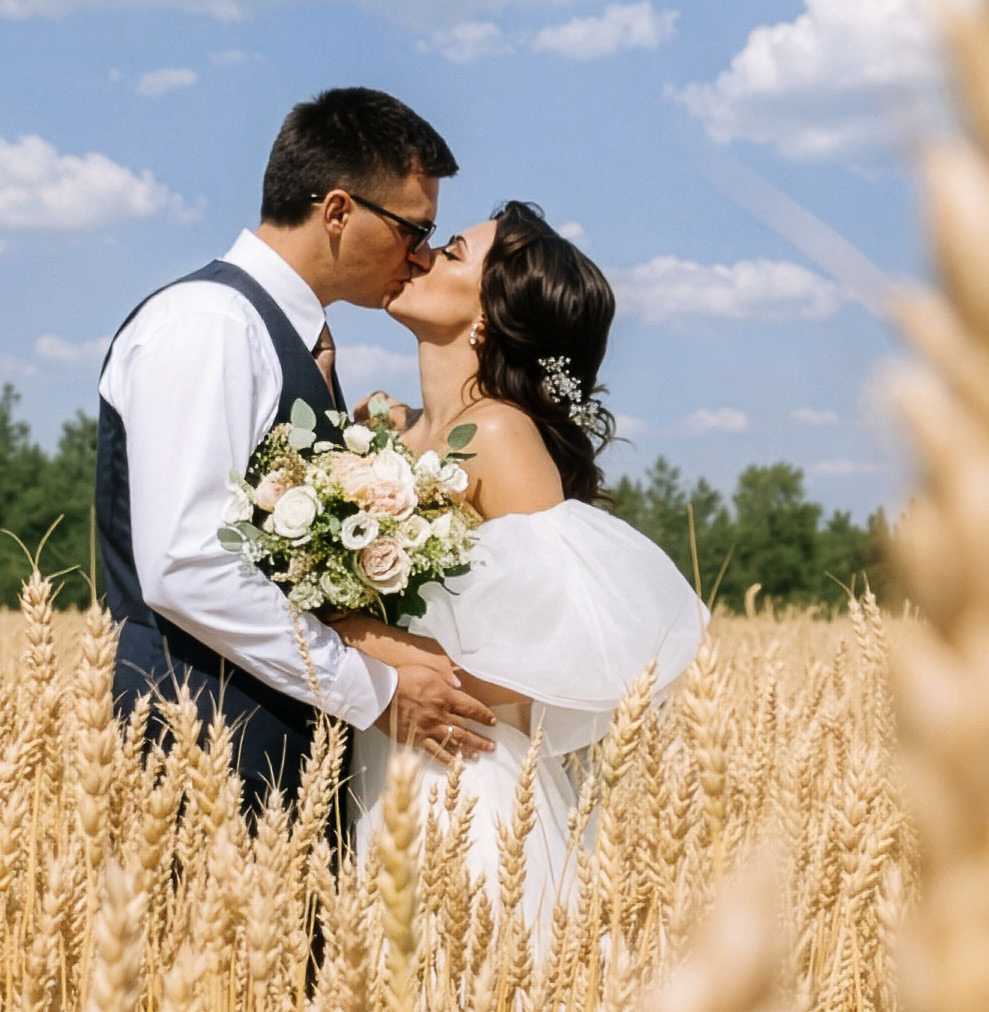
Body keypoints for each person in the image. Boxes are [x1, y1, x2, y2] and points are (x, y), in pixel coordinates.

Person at [96, 88, 498, 825]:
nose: (419, 255)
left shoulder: (277, 334)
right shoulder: (210, 323)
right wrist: (375, 692)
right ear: (338, 211)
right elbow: (188, 563)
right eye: (413, 229)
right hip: (198, 751)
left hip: (278, 766)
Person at [337, 202, 706, 937]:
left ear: (489, 316)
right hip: (381, 766)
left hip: (461, 784)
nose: (419, 254)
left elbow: (561, 645)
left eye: (450, 252)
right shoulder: (391, 435)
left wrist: (353, 637)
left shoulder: (499, 433)